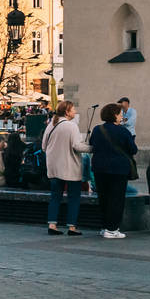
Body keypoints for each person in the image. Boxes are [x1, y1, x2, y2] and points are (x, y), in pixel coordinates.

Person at [88, 103, 138, 239]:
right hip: (118, 170)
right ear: (115, 115)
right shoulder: (123, 131)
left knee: (103, 198)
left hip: (99, 169)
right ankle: (112, 229)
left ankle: (104, 227)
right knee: (116, 199)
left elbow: (92, 144)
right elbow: (133, 149)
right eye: (120, 114)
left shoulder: (98, 129)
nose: (122, 116)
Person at [42, 101, 92, 236]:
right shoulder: (71, 126)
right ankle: (72, 227)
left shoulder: (51, 125)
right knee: (74, 197)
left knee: (55, 196)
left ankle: (52, 225)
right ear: (67, 112)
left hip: (53, 167)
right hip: (70, 167)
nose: (75, 111)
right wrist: (92, 148)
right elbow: (77, 146)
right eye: (73, 109)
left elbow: (43, 147)